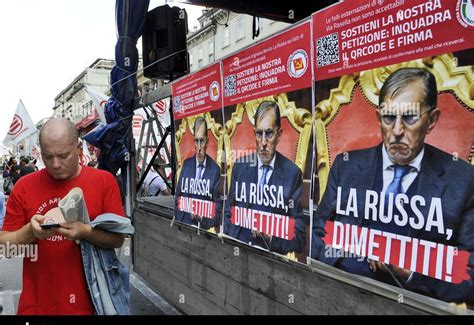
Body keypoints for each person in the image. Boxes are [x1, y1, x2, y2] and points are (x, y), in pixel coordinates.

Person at [311, 68, 474, 304]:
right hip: (341, 295)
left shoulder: (464, 180)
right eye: (389, 118)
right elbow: (320, 233)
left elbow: (470, 273)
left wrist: (413, 274)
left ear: (431, 121)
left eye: (410, 117)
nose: (397, 131)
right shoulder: (345, 167)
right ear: (379, 118)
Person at [1, 118, 128, 315]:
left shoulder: (104, 181)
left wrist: (86, 232)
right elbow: (5, 248)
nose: (55, 164)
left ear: (78, 148)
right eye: (48, 157)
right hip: (36, 310)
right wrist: (30, 231)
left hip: (93, 306)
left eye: (63, 155)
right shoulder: (24, 187)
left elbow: (118, 239)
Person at [224, 101, 305, 255]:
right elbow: (228, 212)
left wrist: (273, 236)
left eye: (269, 133)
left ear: (279, 134)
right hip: (239, 250)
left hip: (270, 257)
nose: (263, 143)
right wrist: (233, 241)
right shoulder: (240, 167)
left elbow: (299, 235)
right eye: (259, 133)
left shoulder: (291, 174)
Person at [174, 116, 222, 230]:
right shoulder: (186, 165)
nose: (199, 147)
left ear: (207, 141)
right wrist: (181, 221)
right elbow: (178, 198)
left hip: (204, 231)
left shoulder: (215, 170)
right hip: (184, 226)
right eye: (196, 141)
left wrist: (202, 218)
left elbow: (219, 207)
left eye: (202, 141)